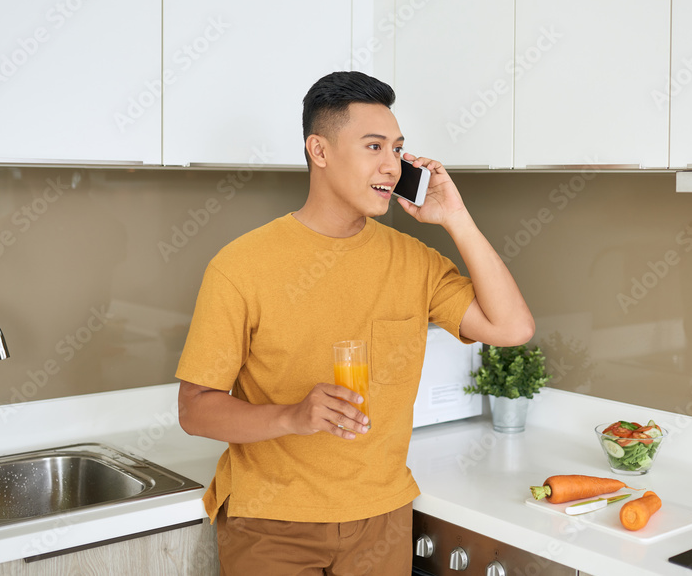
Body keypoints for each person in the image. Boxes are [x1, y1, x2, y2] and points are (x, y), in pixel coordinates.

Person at [175, 71, 534, 575]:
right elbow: (194, 410)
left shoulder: (414, 260)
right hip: (271, 524)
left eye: (398, 149)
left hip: (381, 519)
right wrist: (293, 416)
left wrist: (455, 216)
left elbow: (513, 328)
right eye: (373, 146)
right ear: (319, 151)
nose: (391, 165)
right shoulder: (240, 267)